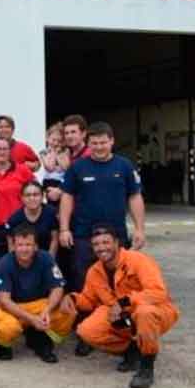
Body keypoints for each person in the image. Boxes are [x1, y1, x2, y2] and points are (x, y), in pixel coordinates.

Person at [61, 224, 179, 388]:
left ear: (117, 243)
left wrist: (124, 302)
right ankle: (132, 348)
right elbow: (89, 300)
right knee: (86, 331)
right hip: (118, 315)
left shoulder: (138, 260)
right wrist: (72, 298)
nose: (101, 248)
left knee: (144, 313)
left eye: (106, 242)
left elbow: (158, 292)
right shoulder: (94, 271)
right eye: (96, 244)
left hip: (154, 310)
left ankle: (147, 365)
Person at [59, 121, 145, 294]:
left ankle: (118, 317)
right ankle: (86, 319)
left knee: (119, 281)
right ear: (88, 143)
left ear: (112, 141)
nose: (99, 147)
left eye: (103, 143)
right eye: (94, 143)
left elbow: (135, 197)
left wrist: (139, 229)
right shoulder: (77, 168)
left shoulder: (125, 166)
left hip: (116, 235)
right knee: (83, 281)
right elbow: (67, 198)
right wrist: (64, 229)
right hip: (84, 235)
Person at [0, 224, 74, 363]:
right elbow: (4, 300)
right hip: (13, 307)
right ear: (14, 246)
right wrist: (31, 319)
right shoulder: (4, 263)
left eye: (28, 244)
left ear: (36, 246)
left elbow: (58, 288)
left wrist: (47, 310)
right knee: (6, 327)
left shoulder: (46, 258)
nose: (24, 249)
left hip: (39, 305)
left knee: (67, 312)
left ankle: (42, 340)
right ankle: (4, 345)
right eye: (20, 245)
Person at [0, 137, 35, 268]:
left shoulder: (22, 170)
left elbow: (35, 192)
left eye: (5, 149)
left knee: (21, 265)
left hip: (19, 226)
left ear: (10, 151)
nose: (2, 152)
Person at [6, 181, 59, 257]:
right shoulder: (14, 219)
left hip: (48, 257)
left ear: (42, 196)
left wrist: (49, 262)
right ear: (22, 198)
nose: (32, 198)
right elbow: (11, 245)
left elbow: (55, 240)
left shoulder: (51, 213)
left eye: (36, 195)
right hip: (24, 259)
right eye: (28, 195)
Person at [40, 122, 69, 207]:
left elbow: (66, 167)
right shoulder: (44, 152)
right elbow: (50, 167)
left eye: (59, 141)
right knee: (51, 205)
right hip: (49, 181)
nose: (56, 143)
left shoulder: (65, 151)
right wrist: (54, 153)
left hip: (61, 182)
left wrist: (59, 154)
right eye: (53, 140)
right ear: (47, 138)